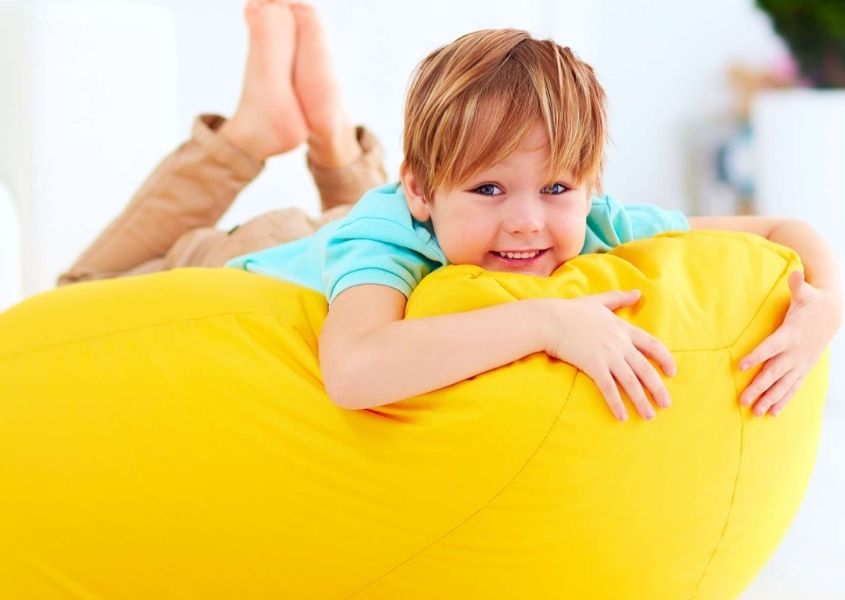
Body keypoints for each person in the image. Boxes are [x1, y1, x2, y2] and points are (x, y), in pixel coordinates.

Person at [60, 0, 843, 423]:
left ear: (589, 185)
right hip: (260, 254)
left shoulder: (593, 218)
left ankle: (334, 137)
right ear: (425, 190)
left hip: (365, 227)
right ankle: (252, 133)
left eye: (557, 190)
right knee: (76, 295)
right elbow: (354, 370)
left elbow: (786, 233)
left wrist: (824, 307)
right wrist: (547, 322)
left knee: (388, 226)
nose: (529, 224)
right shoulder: (390, 225)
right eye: (490, 190)